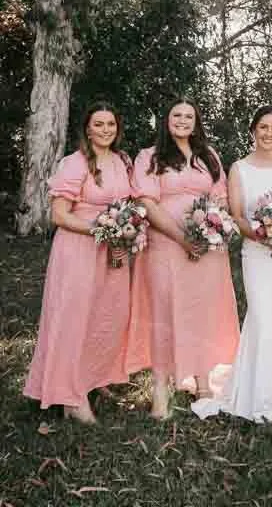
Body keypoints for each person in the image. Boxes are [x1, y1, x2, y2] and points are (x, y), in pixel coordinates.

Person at [24, 101, 147, 423]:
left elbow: (129, 205)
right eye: (99, 124)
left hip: (113, 251)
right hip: (79, 249)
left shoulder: (123, 161)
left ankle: (95, 377)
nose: (105, 130)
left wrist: (124, 234)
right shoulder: (74, 163)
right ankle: (69, 396)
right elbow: (60, 215)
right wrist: (102, 229)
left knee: (108, 316)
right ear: (87, 129)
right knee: (75, 319)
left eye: (110, 124)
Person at [192, 105, 272, 422]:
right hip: (257, 253)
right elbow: (239, 214)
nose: (268, 133)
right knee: (261, 314)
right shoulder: (239, 169)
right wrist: (261, 234)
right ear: (253, 131)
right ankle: (259, 393)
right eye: (263, 127)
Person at [132, 97, 239, 420]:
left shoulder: (209, 156)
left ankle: (204, 382)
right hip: (166, 246)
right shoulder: (149, 157)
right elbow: (147, 203)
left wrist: (213, 229)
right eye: (176, 115)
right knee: (165, 311)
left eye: (188, 116)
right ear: (166, 120)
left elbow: (220, 199)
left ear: (196, 122)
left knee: (203, 311)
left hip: (206, 249)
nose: (182, 120)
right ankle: (161, 389)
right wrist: (182, 237)